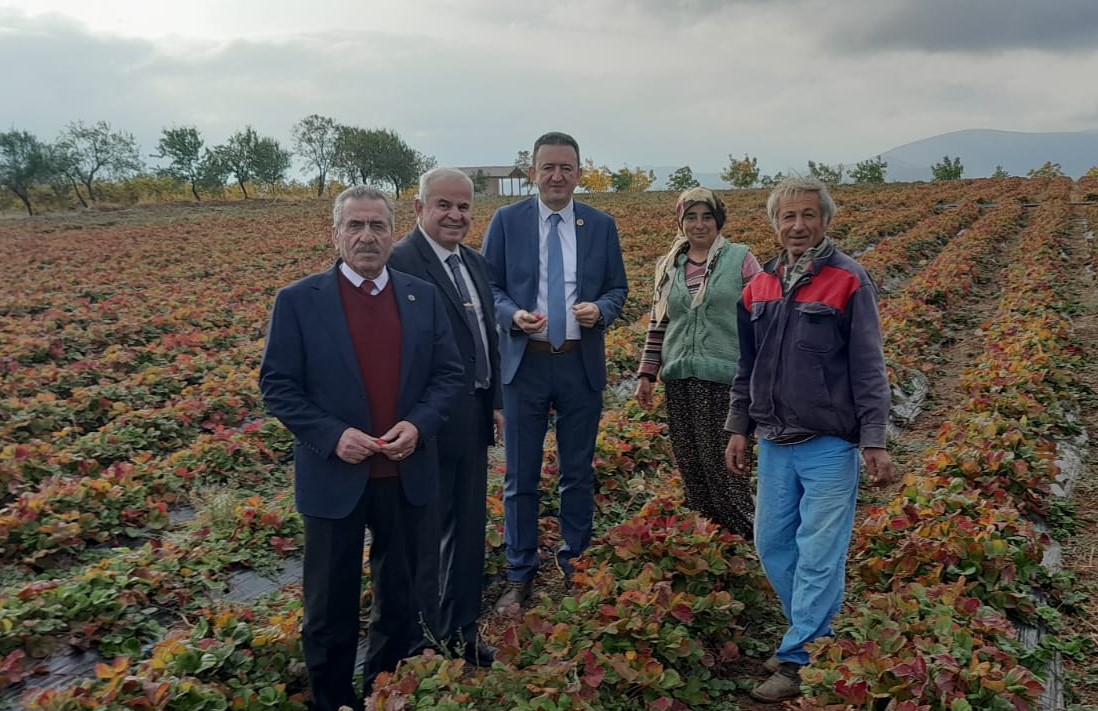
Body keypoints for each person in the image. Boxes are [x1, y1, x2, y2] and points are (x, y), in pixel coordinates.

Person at [258, 185, 464, 711]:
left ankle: (381, 691)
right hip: (336, 478)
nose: (367, 236)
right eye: (355, 225)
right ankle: (331, 699)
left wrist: (418, 426)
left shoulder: (422, 297)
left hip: (405, 474)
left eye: (377, 225)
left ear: (394, 234)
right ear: (336, 234)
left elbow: (448, 376)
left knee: (400, 599)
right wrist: (332, 435)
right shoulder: (299, 301)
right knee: (329, 605)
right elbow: (278, 386)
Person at [723, 176, 894, 703]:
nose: (798, 226)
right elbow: (746, 365)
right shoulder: (760, 285)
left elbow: (868, 365)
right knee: (773, 545)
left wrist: (874, 438)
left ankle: (800, 657)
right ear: (774, 223)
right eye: (788, 216)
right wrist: (738, 427)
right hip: (775, 441)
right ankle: (813, 632)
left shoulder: (848, 279)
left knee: (819, 552)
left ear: (825, 220)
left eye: (808, 215)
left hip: (829, 443)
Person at [482, 131, 628, 611]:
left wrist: (600, 311)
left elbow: (618, 289)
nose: (557, 176)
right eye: (548, 167)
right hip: (525, 364)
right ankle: (520, 572)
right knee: (520, 476)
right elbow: (490, 287)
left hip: (578, 365)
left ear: (580, 173)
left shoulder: (600, 225)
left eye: (567, 168)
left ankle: (576, 563)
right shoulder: (507, 221)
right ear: (533, 173)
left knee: (577, 471)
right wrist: (512, 316)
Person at [388, 167, 503, 667]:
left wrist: (496, 400)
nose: (455, 215)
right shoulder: (398, 261)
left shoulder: (473, 262)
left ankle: (462, 631)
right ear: (419, 208)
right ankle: (420, 640)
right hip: (423, 423)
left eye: (463, 207)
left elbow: (487, 337)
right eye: (444, 205)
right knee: (422, 533)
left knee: (468, 530)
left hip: (472, 416)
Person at [634, 187, 762, 538]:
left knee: (726, 467)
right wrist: (647, 373)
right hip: (680, 379)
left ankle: (748, 536)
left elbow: (762, 316)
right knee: (692, 465)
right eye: (691, 217)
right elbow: (658, 322)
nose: (699, 224)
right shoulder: (669, 265)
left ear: (719, 220)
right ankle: (712, 538)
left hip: (726, 380)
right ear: (680, 222)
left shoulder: (740, 258)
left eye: (707, 217)